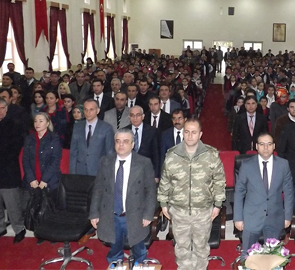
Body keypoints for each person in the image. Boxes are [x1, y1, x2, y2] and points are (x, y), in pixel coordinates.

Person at [158, 118, 226, 270]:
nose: (190, 136)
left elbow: (219, 181)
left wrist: (218, 205)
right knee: (182, 248)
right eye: (187, 132)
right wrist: (163, 204)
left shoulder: (211, 155)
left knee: (201, 248)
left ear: (200, 134)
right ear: (183, 133)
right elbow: (165, 181)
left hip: (202, 211)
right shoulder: (172, 154)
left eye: (194, 132)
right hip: (179, 210)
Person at [89, 129, 157, 265]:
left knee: (139, 248)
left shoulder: (144, 163)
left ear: (132, 144)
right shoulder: (105, 161)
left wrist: (148, 214)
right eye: (118, 141)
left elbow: (151, 190)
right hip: (111, 214)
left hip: (135, 215)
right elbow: (98, 189)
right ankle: (116, 265)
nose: (121, 145)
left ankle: (139, 264)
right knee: (114, 248)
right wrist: (94, 213)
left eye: (125, 141)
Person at [234, 132, 294, 253]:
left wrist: (287, 216)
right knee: (248, 256)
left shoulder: (283, 165)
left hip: (275, 218)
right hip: (251, 217)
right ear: (256, 146)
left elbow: (288, 192)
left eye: (269, 144)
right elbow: (239, 192)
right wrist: (238, 218)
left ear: (274, 146)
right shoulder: (246, 165)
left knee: (271, 257)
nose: (265, 148)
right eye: (262, 144)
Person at [0, 97, 26, 243]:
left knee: (13, 205)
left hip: (8, 171)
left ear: (6, 109)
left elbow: (13, 150)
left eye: (1, 108)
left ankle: (19, 229)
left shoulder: (14, 125)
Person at [69, 99, 115, 176]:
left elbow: (109, 154)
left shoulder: (107, 128)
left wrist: (107, 173)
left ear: (97, 111)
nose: (88, 112)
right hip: (80, 171)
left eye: (91, 110)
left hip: (99, 171)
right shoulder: (77, 126)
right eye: (86, 110)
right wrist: (72, 173)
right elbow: (73, 152)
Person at [22, 113, 62, 194]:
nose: (37, 124)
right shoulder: (29, 139)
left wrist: (44, 180)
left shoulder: (54, 139)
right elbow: (25, 159)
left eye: (41, 121)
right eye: (35, 121)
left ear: (47, 123)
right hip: (31, 181)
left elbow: (55, 161)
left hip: (50, 182)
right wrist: (31, 179)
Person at [126, 106, 159, 181]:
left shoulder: (152, 131)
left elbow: (156, 154)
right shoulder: (124, 131)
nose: (135, 118)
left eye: (138, 115)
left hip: (147, 170)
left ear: (143, 116)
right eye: (132, 115)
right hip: (129, 171)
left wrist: (156, 175)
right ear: (129, 117)